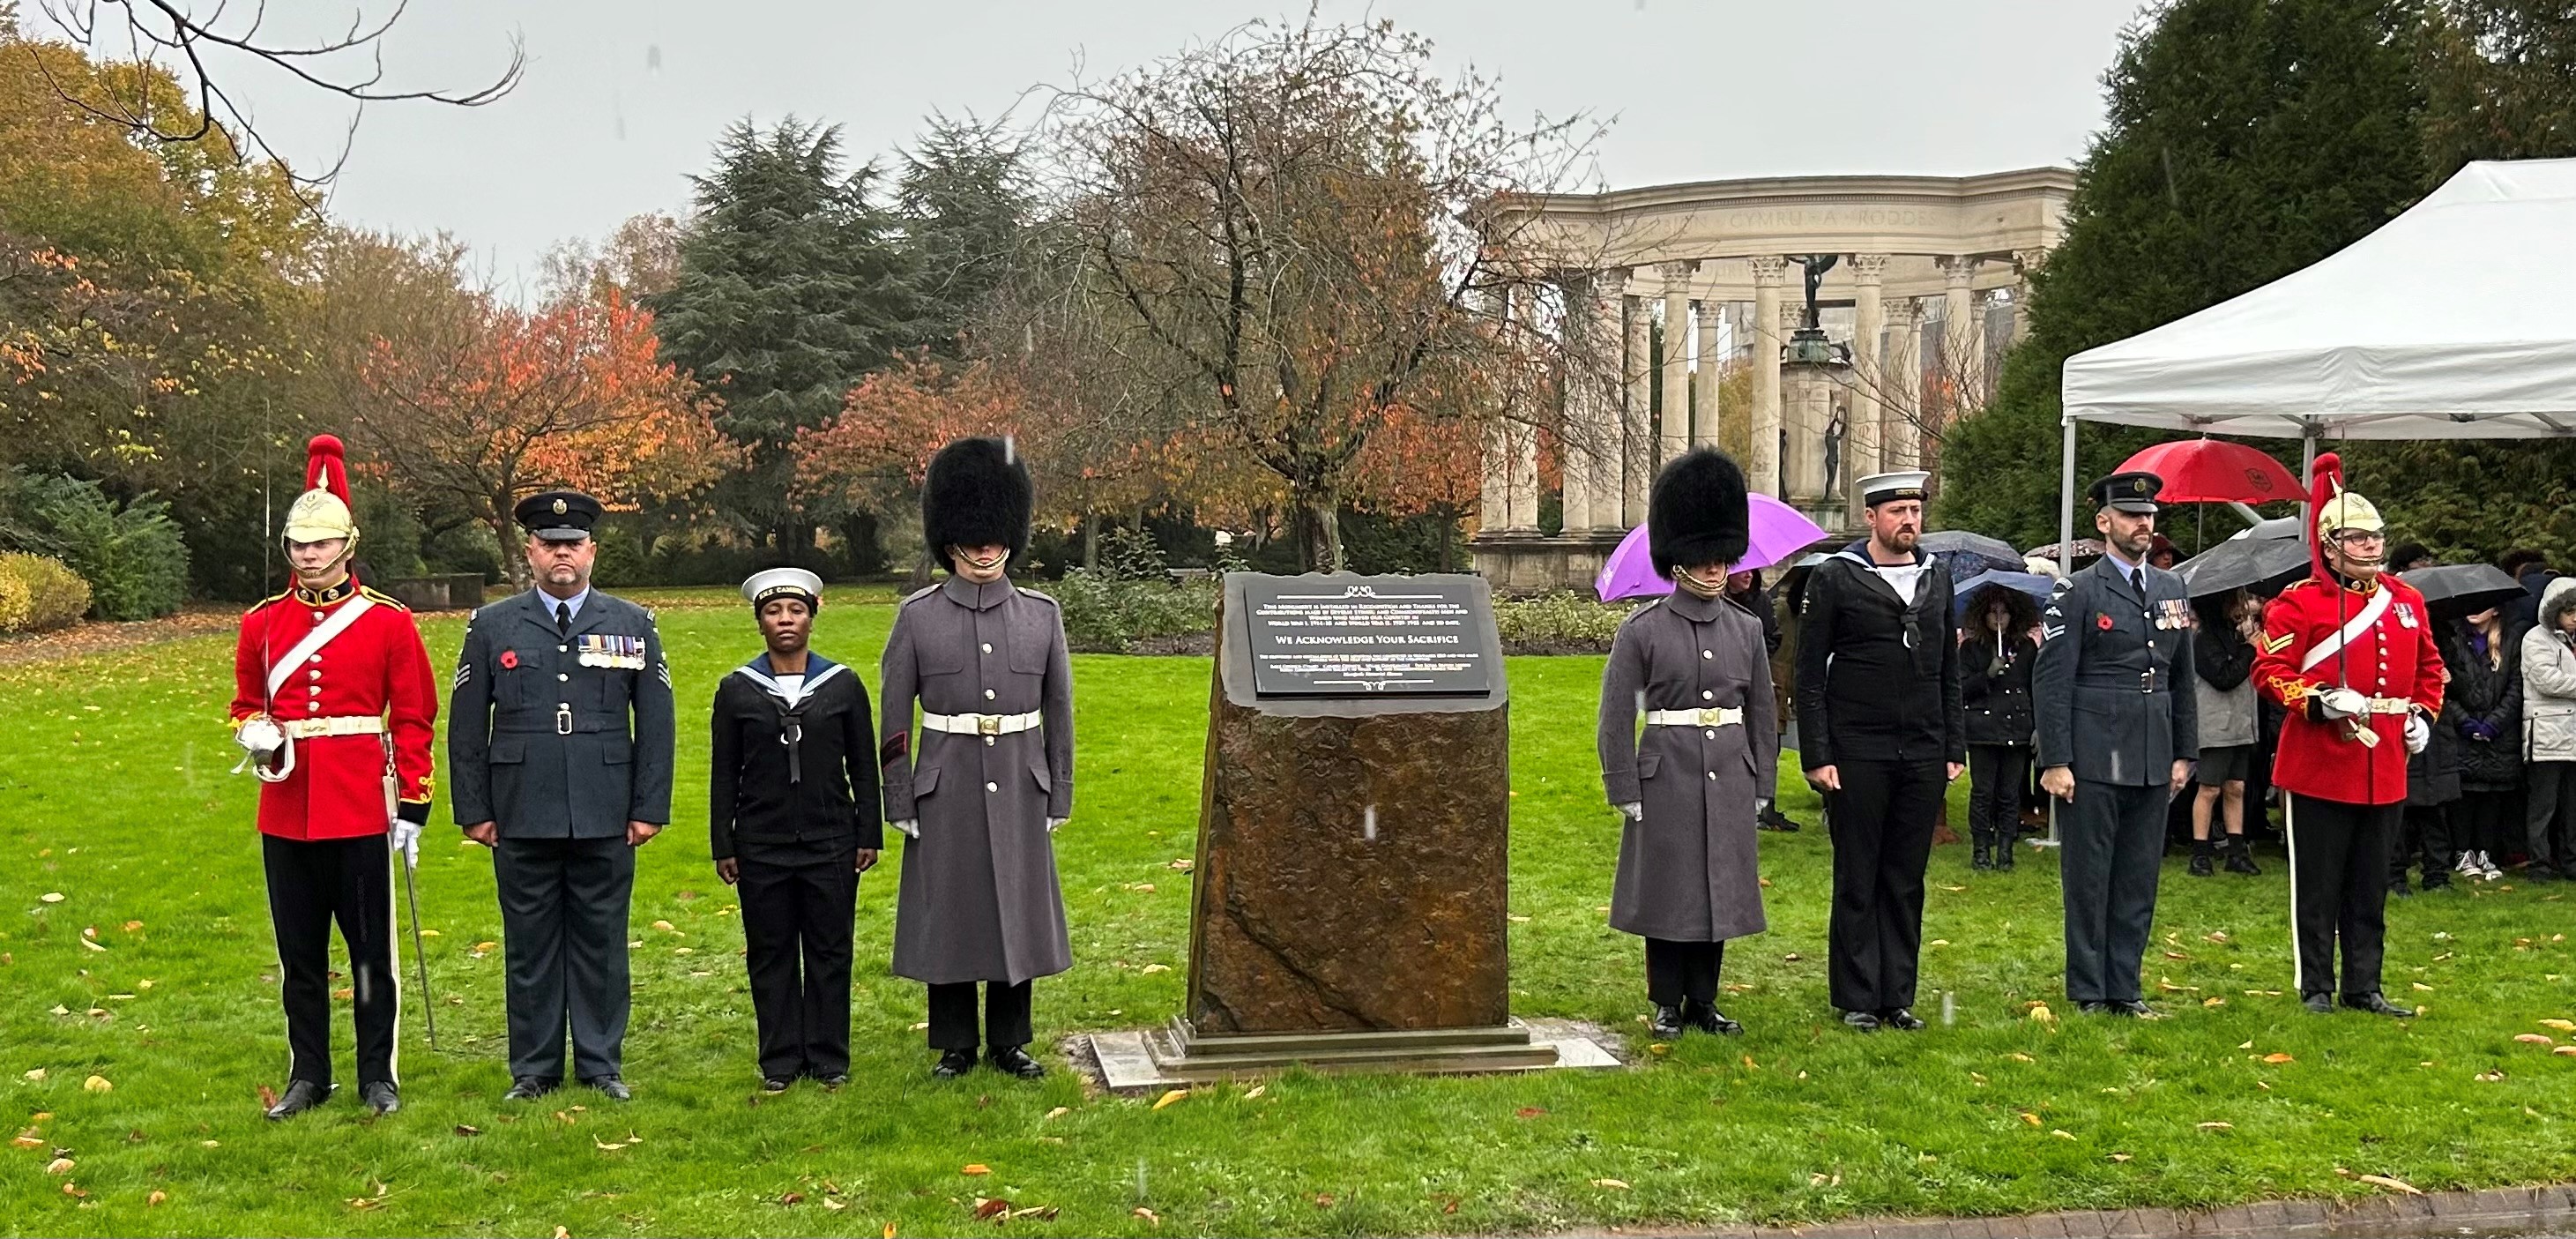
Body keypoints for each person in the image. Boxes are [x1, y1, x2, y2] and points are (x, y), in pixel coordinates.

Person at [227, 436, 438, 1120]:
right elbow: (243, 702)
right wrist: (253, 730)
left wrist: (411, 803)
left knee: (372, 951)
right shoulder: (261, 622)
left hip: (357, 804)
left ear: (347, 547)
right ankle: (309, 1073)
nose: (309, 557)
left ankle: (379, 1073)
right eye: (299, 545)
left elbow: (412, 716)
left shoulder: (387, 620)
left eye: (321, 545)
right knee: (299, 955)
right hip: (287, 804)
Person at [449, 490, 675, 1101]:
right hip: (522, 806)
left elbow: (657, 722)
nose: (562, 555)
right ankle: (535, 1067)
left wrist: (649, 806)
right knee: (530, 946)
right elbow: (467, 725)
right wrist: (473, 809)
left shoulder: (632, 624)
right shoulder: (492, 625)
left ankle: (602, 1063)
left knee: (602, 942)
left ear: (592, 550)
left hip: (606, 807)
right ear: (531, 552)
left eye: (573, 544)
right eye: (550, 545)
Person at [881, 437, 1075, 1080]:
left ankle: (1010, 1038)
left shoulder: (1041, 617)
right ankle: (956, 1041)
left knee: (1015, 908)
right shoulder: (917, 617)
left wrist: (1060, 791)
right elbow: (894, 719)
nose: (986, 548)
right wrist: (900, 795)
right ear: (950, 539)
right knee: (954, 909)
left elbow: (1060, 710)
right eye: (973, 537)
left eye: (995, 536)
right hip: (947, 781)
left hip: (1021, 778)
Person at [2253, 455, 2443, 1018]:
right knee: (2317, 885)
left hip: (2384, 760)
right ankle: (2316, 986)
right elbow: (2268, 672)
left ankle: (2366, 985)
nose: (2371, 546)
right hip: (2320, 759)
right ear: (2330, 546)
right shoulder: (2299, 602)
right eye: (2357, 538)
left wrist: (2424, 719)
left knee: (2371, 885)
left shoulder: (2406, 602)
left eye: (2375, 537)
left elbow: (2431, 670)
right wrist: (2316, 700)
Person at [1598, 449, 1776, 1038]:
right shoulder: (1643, 631)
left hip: (1729, 768)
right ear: (1679, 561)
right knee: (1669, 891)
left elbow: (1761, 714)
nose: (1715, 568)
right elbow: (1615, 714)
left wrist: (1763, 785)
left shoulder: (1746, 629)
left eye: (1722, 557)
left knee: (1719, 889)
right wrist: (1623, 783)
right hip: (1666, 772)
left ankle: (1704, 999)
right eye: (1703, 558)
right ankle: (1667, 1001)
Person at [1794, 470, 1963, 1033]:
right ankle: (1858, 996)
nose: (1909, 520)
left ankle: (1898, 995)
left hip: (1922, 747)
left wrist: (1952, 745)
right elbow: (1809, 673)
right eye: (1897, 512)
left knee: (1905, 875)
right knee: (1859, 872)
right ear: (1871, 517)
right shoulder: (1838, 578)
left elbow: (1948, 671)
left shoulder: (1936, 579)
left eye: (1915, 510)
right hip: (1857, 747)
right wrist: (1817, 753)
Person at [711, 568, 882, 1092]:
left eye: (796, 610)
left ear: (814, 615)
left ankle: (830, 1057)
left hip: (831, 841)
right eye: (773, 612)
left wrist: (868, 832)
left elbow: (863, 764)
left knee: (831, 949)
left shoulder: (844, 685)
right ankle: (780, 1060)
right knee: (771, 951)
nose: (785, 620)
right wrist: (725, 841)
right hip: (762, 843)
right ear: (759, 621)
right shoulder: (738, 690)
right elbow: (724, 771)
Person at [2035, 471, 2197, 1019]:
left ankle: (2125, 987)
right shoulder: (2077, 590)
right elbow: (2052, 679)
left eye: (2149, 516)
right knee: (2089, 876)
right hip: (2095, 749)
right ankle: (2087, 989)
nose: (2143, 525)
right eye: (2132, 516)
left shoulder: (2173, 588)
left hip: (2153, 747)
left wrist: (2185, 752)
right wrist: (2055, 759)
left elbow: (2181, 676)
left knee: (2137, 876)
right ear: (2105, 523)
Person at [1960, 583, 2037, 871]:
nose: (1998, 618)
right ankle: (1981, 850)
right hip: (1983, 730)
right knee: (1983, 791)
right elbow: (1960, 688)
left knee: (2009, 793)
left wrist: (2037, 726)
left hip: (2016, 728)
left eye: (2004, 613)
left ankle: (2006, 849)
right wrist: (1987, 674)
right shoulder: (1971, 649)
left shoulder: (2026, 648)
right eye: (1993, 613)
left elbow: (2035, 687)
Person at [2188, 590, 2263, 877]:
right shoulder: (2204, 640)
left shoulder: (2235, 636)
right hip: (2216, 725)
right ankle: (2200, 853)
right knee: (2209, 789)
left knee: (2236, 788)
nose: (2241, 607)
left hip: (2241, 725)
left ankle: (2236, 850)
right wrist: (2249, 649)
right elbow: (2224, 677)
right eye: (2234, 601)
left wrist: (2247, 644)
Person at [2444, 606, 2520, 882]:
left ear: (2497, 610)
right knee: (2464, 793)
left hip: (2498, 732)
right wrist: (2465, 722)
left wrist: (2494, 723)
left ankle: (2486, 852)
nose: (2474, 611)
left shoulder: (2510, 641)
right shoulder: (2452, 639)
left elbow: (2515, 686)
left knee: (2492, 793)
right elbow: (2443, 689)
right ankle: (2463, 852)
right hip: (2463, 729)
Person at [1729, 568, 1798, 833]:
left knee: (1769, 742)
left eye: (1751, 570)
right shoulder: (1716, 603)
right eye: (1740, 570)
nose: (1748, 575)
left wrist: (1756, 666)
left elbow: (1773, 638)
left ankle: (1766, 807)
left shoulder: (1761, 602)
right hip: (1727, 687)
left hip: (1764, 679)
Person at [2521, 578, 2576, 880]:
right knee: (2543, 806)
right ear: (2554, 611)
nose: (2575, 617)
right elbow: (2547, 681)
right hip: (2547, 734)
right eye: (2570, 611)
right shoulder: (2536, 638)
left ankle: (2571, 862)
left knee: (2572, 806)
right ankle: (2539, 865)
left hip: (2573, 734)